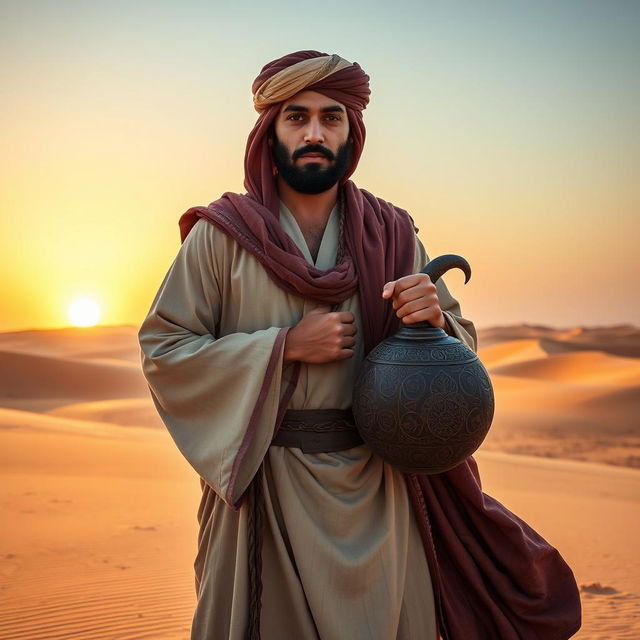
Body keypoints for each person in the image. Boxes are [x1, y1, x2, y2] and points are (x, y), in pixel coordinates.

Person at [138, 51, 581, 640]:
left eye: (331, 117)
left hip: (383, 493)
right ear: (268, 133)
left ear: (353, 133)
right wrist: (283, 346)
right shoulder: (222, 238)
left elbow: (461, 348)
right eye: (296, 118)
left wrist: (433, 323)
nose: (314, 133)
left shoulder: (393, 233)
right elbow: (164, 348)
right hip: (267, 492)